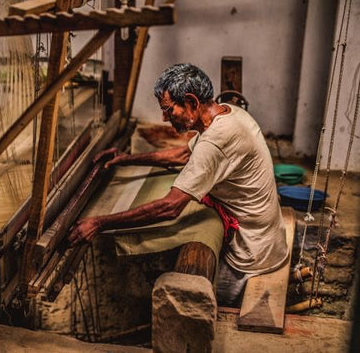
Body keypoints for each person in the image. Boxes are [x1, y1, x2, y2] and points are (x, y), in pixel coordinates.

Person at [68, 63, 289, 304]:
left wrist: (99, 223)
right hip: (267, 238)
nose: (164, 118)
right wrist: (125, 159)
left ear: (192, 102)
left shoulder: (215, 142)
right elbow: (183, 155)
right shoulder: (230, 112)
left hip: (251, 256)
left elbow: (170, 207)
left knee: (198, 302)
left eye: (168, 109)